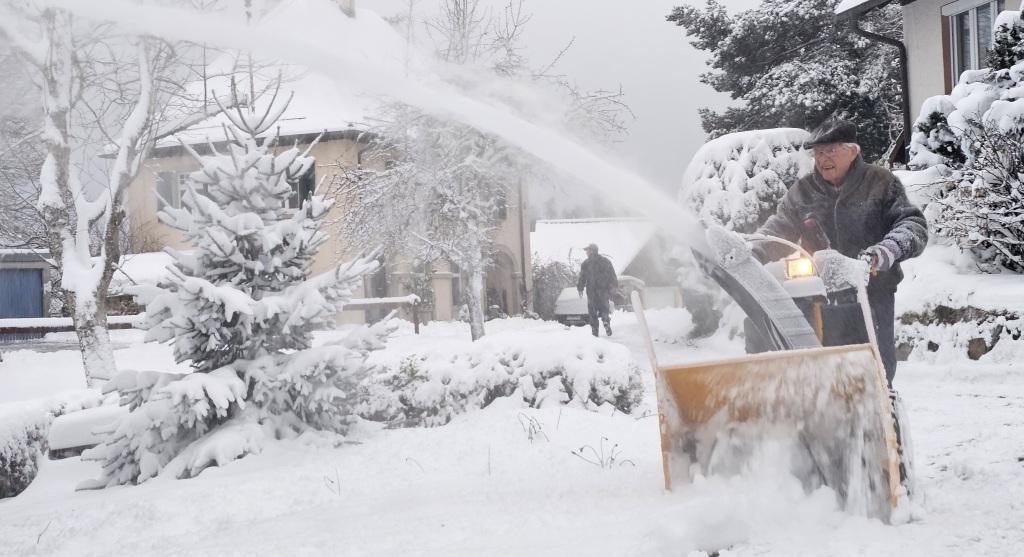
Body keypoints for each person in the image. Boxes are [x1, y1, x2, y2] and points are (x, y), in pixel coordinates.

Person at [751, 120, 928, 385]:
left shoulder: (880, 183)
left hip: (873, 289)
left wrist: (884, 252)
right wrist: (752, 253)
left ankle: (879, 409)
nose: (823, 159)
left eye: (830, 150)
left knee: (875, 363)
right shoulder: (803, 191)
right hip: (821, 295)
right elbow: (778, 230)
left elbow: (912, 224)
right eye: (818, 153)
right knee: (824, 364)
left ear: (852, 151)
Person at [577, 243, 617, 337]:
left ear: (591, 251)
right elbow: (612, 274)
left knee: (592, 312)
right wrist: (614, 286)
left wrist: (580, 288)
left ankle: (595, 331)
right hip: (604, 290)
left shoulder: (586, 263)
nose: (586, 252)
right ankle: (606, 321)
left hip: (591, 291)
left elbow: (582, 277)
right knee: (604, 309)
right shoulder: (606, 261)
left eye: (587, 250)